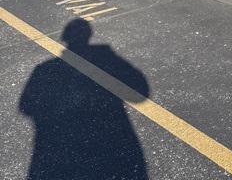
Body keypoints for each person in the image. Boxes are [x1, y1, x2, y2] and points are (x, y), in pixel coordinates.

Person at [19, 18, 149, 179]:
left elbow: (25, 105)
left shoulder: (43, 69)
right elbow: (140, 91)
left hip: (60, 149)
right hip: (110, 140)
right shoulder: (104, 56)